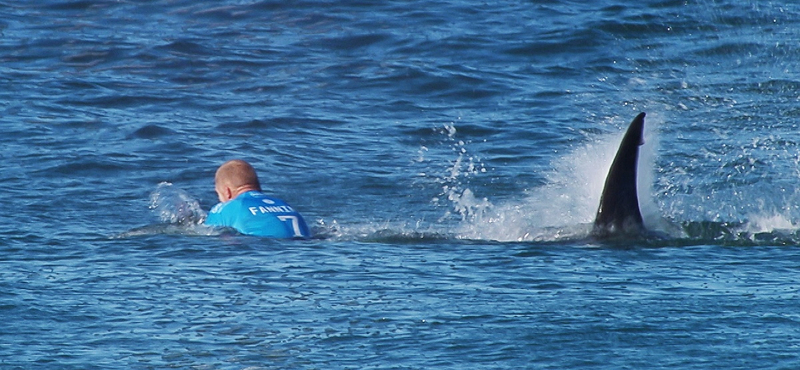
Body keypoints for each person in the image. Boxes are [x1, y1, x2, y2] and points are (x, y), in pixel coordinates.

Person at [205, 159, 311, 238]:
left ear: (227, 192)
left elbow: (207, 234)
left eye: (218, 193)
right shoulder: (283, 204)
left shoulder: (228, 207)